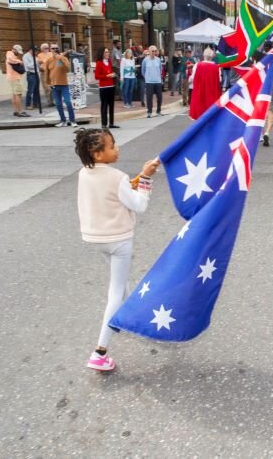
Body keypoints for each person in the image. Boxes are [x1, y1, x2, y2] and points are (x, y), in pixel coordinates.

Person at [74, 127, 160, 372]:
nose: (117, 148)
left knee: (120, 285)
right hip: (118, 240)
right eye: (112, 146)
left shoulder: (84, 173)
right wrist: (145, 179)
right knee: (115, 292)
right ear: (98, 154)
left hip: (95, 237)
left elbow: (110, 194)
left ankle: (132, 315)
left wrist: (137, 179)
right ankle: (100, 352)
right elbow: (139, 205)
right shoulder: (117, 177)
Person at [46, 45, 76, 128]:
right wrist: (47, 83)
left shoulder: (63, 59)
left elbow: (68, 69)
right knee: (58, 104)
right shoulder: (49, 60)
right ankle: (63, 120)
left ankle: (72, 120)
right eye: (53, 48)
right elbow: (47, 73)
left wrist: (61, 57)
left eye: (56, 48)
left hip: (64, 84)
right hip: (54, 85)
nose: (55, 50)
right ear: (50, 50)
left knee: (68, 102)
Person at [189, 48, 222, 120]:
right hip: (212, 93)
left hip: (199, 92)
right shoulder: (217, 67)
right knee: (211, 116)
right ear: (212, 56)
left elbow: (193, 77)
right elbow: (219, 80)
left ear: (204, 55)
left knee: (199, 115)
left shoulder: (197, 65)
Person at [94, 46, 117, 129]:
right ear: (102, 53)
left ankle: (111, 123)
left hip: (111, 86)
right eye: (106, 52)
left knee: (111, 105)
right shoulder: (99, 63)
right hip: (103, 88)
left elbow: (110, 71)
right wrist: (107, 75)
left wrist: (113, 74)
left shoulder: (109, 61)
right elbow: (97, 76)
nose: (108, 53)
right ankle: (104, 124)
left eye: (108, 52)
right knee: (104, 106)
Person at [6, 44, 29, 117]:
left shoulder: (11, 55)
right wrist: (19, 61)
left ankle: (16, 110)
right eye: (18, 51)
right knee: (18, 94)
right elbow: (11, 60)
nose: (18, 53)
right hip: (14, 78)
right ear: (14, 49)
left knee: (14, 94)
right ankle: (19, 111)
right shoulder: (10, 55)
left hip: (12, 78)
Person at [142, 45, 163, 118]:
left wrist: (159, 77)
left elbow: (160, 69)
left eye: (155, 51)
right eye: (153, 51)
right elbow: (143, 71)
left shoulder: (158, 59)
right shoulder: (145, 60)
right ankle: (149, 112)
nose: (154, 52)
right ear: (149, 51)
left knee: (159, 97)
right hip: (149, 82)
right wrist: (147, 78)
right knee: (149, 98)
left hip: (158, 81)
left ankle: (158, 111)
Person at [23, 46, 38, 110]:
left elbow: (37, 66)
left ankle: (35, 103)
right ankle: (28, 104)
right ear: (31, 50)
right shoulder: (26, 56)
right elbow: (28, 66)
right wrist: (35, 62)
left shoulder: (34, 56)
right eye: (35, 50)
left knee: (36, 90)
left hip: (36, 73)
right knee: (30, 90)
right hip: (30, 74)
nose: (36, 52)